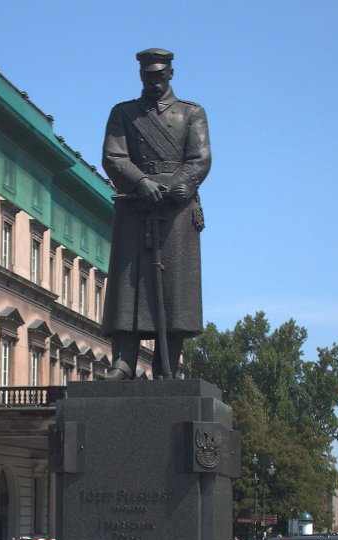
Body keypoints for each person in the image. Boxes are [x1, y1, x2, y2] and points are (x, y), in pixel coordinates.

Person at [101, 48, 211, 380]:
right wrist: (141, 181)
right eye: (148, 76)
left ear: (170, 74)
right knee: (128, 284)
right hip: (136, 203)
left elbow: (200, 158)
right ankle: (124, 361)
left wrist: (180, 185)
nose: (153, 82)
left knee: (175, 288)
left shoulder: (191, 113)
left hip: (176, 209)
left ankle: (167, 364)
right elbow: (113, 157)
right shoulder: (123, 113)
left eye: (159, 75)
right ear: (141, 76)